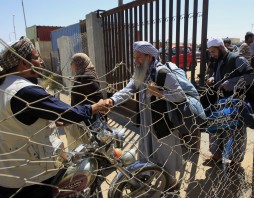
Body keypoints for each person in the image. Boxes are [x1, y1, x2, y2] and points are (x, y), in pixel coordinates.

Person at [0, 37, 107, 197]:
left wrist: (46, 121)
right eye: (37, 57)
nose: (42, 61)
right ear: (23, 63)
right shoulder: (26, 91)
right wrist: (96, 107)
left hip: (8, 178)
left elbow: (18, 122)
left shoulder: (4, 87)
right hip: (35, 180)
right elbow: (70, 113)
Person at [104, 41, 184, 189]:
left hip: (162, 124)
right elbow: (129, 89)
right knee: (146, 151)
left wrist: (160, 93)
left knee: (165, 154)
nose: (136, 61)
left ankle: (172, 184)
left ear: (149, 57)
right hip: (146, 122)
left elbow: (180, 95)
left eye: (139, 57)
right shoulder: (140, 73)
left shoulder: (163, 73)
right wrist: (112, 100)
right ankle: (152, 175)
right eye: (135, 57)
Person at [205, 38, 254, 166]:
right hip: (220, 102)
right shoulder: (217, 60)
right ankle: (216, 156)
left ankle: (235, 161)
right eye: (210, 52)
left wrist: (231, 83)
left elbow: (251, 76)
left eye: (214, 51)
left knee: (236, 131)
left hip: (236, 102)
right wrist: (212, 78)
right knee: (216, 127)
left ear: (221, 47)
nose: (212, 54)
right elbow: (217, 75)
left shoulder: (237, 59)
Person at [66, 53, 105, 149]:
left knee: (91, 145)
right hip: (84, 116)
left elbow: (98, 97)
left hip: (88, 120)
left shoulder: (86, 76)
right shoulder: (81, 74)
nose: (71, 64)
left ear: (79, 63)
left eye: (72, 62)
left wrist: (104, 120)